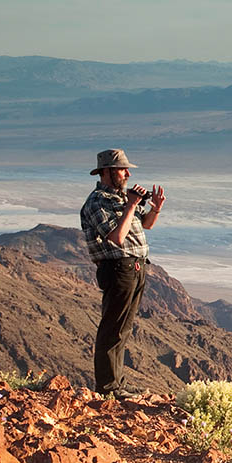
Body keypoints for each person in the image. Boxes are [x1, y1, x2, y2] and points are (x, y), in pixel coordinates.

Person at [80, 148, 166, 398]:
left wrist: (155, 208)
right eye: (122, 170)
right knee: (112, 328)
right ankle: (107, 388)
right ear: (106, 172)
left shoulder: (120, 198)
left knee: (124, 328)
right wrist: (130, 205)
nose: (127, 174)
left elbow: (146, 224)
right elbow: (116, 237)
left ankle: (117, 385)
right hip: (118, 268)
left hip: (136, 268)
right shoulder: (97, 202)